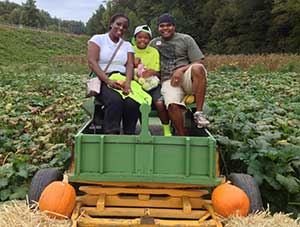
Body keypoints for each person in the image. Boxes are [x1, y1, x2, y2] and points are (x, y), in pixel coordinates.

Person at [150, 13, 210, 136]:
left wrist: (180, 70)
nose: (165, 28)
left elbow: (198, 60)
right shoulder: (154, 43)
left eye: (169, 25)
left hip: (186, 77)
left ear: (174, 27)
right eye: (162, 26)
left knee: (198, 68)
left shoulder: (186, 39)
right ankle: (182, 136)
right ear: (158, 28)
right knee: (172, 105)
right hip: (168, 80)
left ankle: (199, 113)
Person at [87, 13, 139, 135]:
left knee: (132, 102)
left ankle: (129, 134)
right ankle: (111, 133)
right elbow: (92, 62)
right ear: (111, 24)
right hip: (103, 78)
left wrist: (127, 84)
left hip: (122, 79)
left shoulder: (127, 45)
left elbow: (130, 65)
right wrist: (108, 81)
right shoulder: (98, 39)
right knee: (115, 100)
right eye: (118, 24)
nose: (121, 28)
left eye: (124, 26)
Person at [132, 25, 171, 136]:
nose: (143, 40)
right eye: (140, 37)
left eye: (146, 38)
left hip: (153, 84)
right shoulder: (130, 50)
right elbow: (126, 69)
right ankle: (145, 129)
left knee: (159, 103)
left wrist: (152, 72)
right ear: (135, 38)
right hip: (137, 84)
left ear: (149, 40)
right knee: (141, 103)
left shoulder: (154, 52)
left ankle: (166, 129)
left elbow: (158, 72)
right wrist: (133, 64)